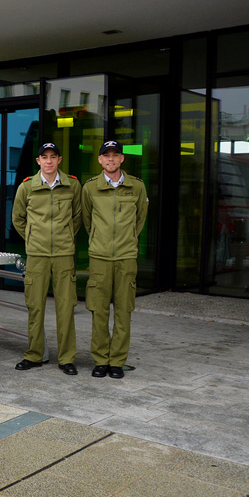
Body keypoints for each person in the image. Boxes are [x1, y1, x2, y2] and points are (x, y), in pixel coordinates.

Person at [11, 142, 82, 375]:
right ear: (38, 161)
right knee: (35, 307)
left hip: (63, 255)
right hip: (37, 255)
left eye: (53, 157)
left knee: (66, 307)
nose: (49, 161)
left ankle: (67, 359)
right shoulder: (27, 187)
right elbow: (18, 218)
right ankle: (34, 355)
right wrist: (32, 239)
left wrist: (65, 237)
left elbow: (78, 217)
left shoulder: (72, 185)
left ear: (59, 160)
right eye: (44, 157)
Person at [82, 140, 148, 379]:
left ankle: (117, 362)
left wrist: (128, 239)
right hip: (99, 258)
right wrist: (99, 241)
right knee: (99, 311)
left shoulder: (137, 187)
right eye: (106, 156)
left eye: (115, 155)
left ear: (122, 159)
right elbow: (88, 221)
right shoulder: (90, 188)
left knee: (123, 311)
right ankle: (100, 360)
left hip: (126, 257)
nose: (111, 159)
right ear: (99, 160)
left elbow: (140, 220)